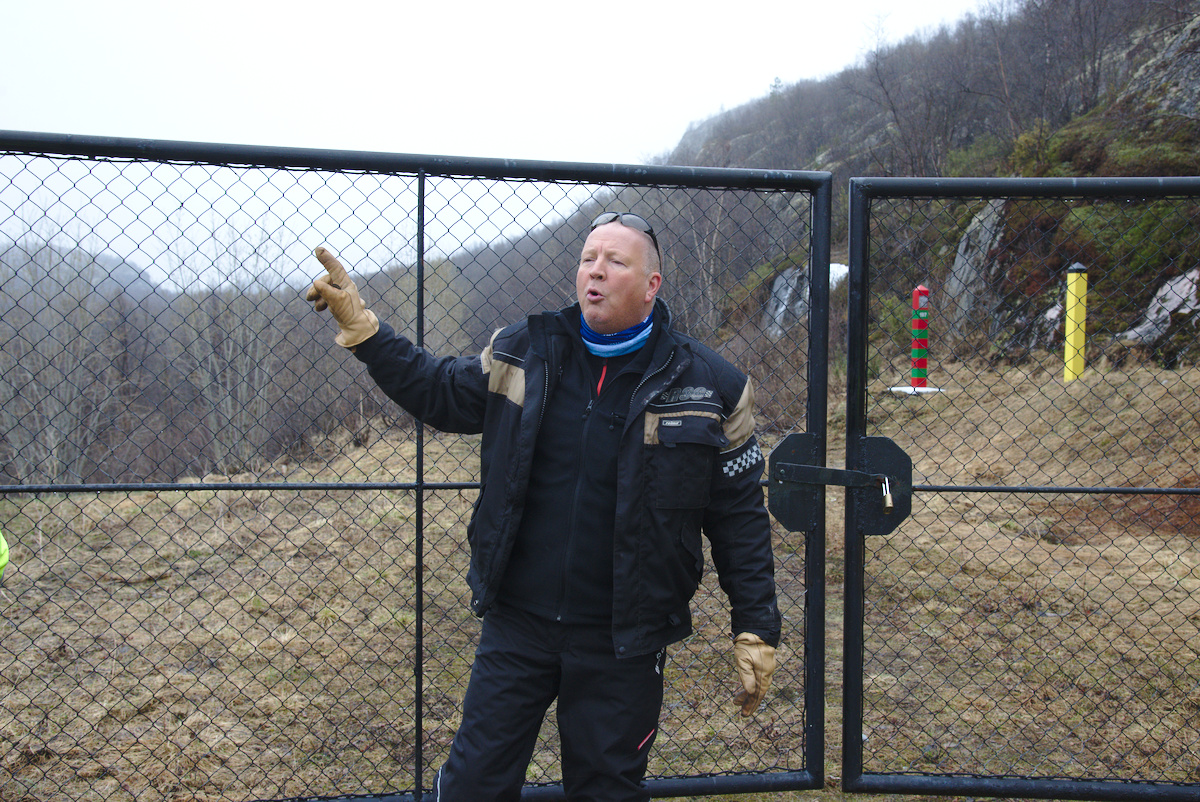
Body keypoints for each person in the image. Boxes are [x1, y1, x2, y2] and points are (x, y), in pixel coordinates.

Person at [306, 211, 781, 801]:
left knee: (605, 790)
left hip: (624, 639)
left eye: (615, 261)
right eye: (587, 259)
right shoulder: (523, 351)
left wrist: (756, 625)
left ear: (651, 285)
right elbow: (440, 391)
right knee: (472, 787)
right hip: (518, 625)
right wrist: (366, 332)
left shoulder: (712, 386)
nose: (595, 271)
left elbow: (739, 518)